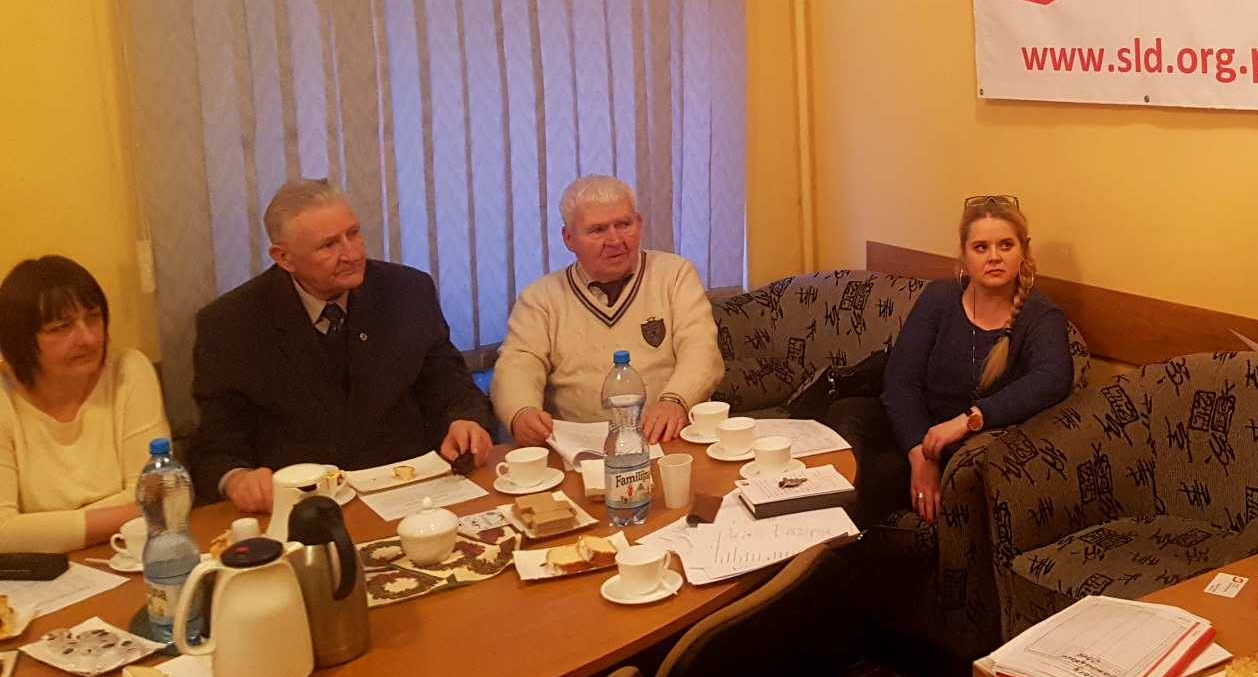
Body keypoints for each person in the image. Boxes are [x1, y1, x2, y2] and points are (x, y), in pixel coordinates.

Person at [187, 180, 493, 513]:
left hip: (410, 492)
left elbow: (449, 385)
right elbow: (215, 445)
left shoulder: (408, 291)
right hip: (302, 508)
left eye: (354, 234)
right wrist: (236, 479)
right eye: (329, 245)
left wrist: (465, 420)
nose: (353, 254)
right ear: (283, 257)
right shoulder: (231, 324)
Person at [835, 196, 1074, 525]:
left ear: (1024, 250)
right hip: (913, 431)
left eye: (1005, 245)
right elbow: (901, 380)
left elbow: (1053, 378)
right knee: (846, 414)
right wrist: (919, 453)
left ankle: (821, 541)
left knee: (871, 479)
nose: (994, 257)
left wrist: (968, 420)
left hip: (963, 451)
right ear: (963, 255)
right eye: (981, 247)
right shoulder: (940, 298)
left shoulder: (1040, 316)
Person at [489, 176, 723, 448]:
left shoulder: (674, 274)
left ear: (639, 223)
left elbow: (701, 349)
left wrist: (676, 401)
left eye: (623, 224)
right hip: (578, 448)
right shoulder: (540, 298)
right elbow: (518, 363)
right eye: (597, 230)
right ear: (569, 238)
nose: (614, 240)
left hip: (669, 438)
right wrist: (521, 413)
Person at [0, 257, 164, 553]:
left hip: (131, 554)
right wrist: (130, 511)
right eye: (61, 327)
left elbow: (157, 495)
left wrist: (39, 529)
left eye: (93, 317)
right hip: (40, 576)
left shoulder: (128, 370)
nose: (87, 338)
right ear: (19, 339)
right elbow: (3, 532)